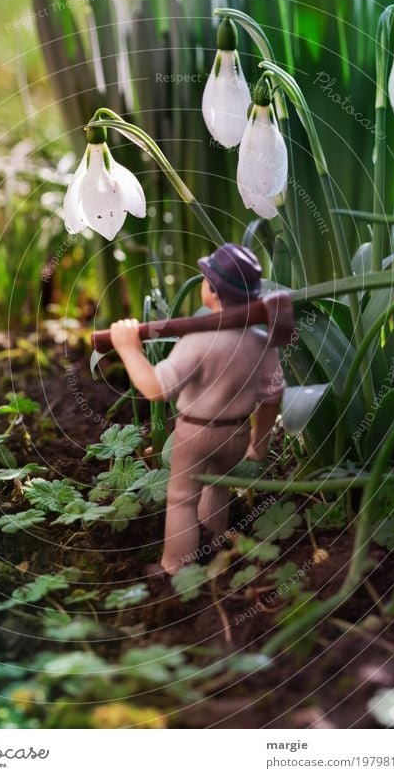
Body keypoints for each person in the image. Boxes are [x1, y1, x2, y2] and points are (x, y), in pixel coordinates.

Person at [110, 243, 285, 577]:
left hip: (196, 433)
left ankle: (177, 566)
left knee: (181, 499)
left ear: (212, 292)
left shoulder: (198, 340)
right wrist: (258, 443)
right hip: (235, 434)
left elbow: (156, 389)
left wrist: (128, 348)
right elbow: (272, 397)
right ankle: (215, 543)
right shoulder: (261, 342)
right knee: (217, 484)